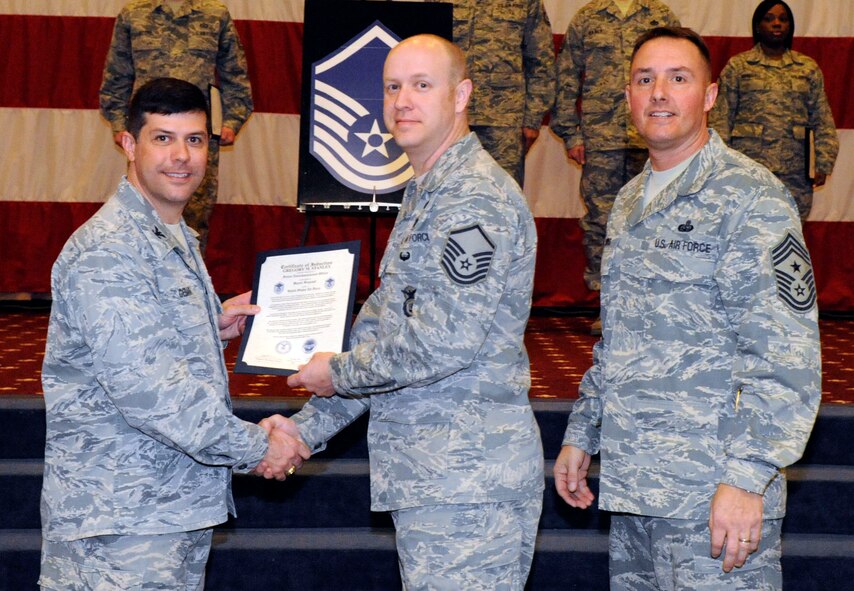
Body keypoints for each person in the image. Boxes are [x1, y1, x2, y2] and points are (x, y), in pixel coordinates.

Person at [553, 27, 821, 589]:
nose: (659, 94)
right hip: (636, 493)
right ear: (626, 96)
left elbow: (786, 359)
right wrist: (584, 431)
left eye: (679, 78)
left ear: (710, 95)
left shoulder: (752, 197)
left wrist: (747, 481)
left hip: (713, 498)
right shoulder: (628, 201)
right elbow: (619, 340)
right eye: (644, 79)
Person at [277, 34, 544, 590]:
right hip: (437, 476)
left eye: (423, 86)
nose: (403, 101)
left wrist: (337, 372)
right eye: (393, 87)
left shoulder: (474, 198)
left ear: (462, 94)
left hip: (468, 481)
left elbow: (442, 342)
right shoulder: (429, 192)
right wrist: (305, 430)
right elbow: (381, 332)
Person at [39, 78, 309, 591]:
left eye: (195, 139)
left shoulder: (172, 235)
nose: (181, 156)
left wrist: (212, 327)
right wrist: (259, 447)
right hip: (120, 523)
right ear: (128, 144)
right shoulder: (109, 251)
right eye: (162, 138)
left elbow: (144, 348)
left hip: (167, 510)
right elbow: (155, 395)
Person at [551, 0, 680, 334]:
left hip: (653, 135)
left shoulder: (660, 16)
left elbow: (681, 75)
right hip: (600, 137)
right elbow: (566, 77)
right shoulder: (588, 17)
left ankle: (652, 301)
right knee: (601, 222)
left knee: (658, 217)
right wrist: (571, 132)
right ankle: (607, 303)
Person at [100, 0, 254, 253]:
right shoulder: (134, 14)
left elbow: (235, 75)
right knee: (142, 210)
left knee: (194, 218)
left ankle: (191, 286)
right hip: (151, 138)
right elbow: (116, 77)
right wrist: (118, 123)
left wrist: (231, 122)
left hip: (195, 138)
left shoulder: (215, 13)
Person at [710, 0, 839, 221]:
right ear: (758, 26)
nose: (776, 24)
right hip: (748, 169)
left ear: (790, 25)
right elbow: (721, 117)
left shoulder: (807, 68)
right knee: (745, 232)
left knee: (790, 237)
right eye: (769, 19)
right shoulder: (739, 66)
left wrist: (823, 162)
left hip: (795, 173)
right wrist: (722, 164)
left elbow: (822, 118)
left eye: (782, 19)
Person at [428, 0, 555, 185]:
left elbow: (541, 61)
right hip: (448, 116)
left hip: (503, 121)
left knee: (503, 192)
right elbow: (425, 52)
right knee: (441, 188)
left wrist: (532, 119)